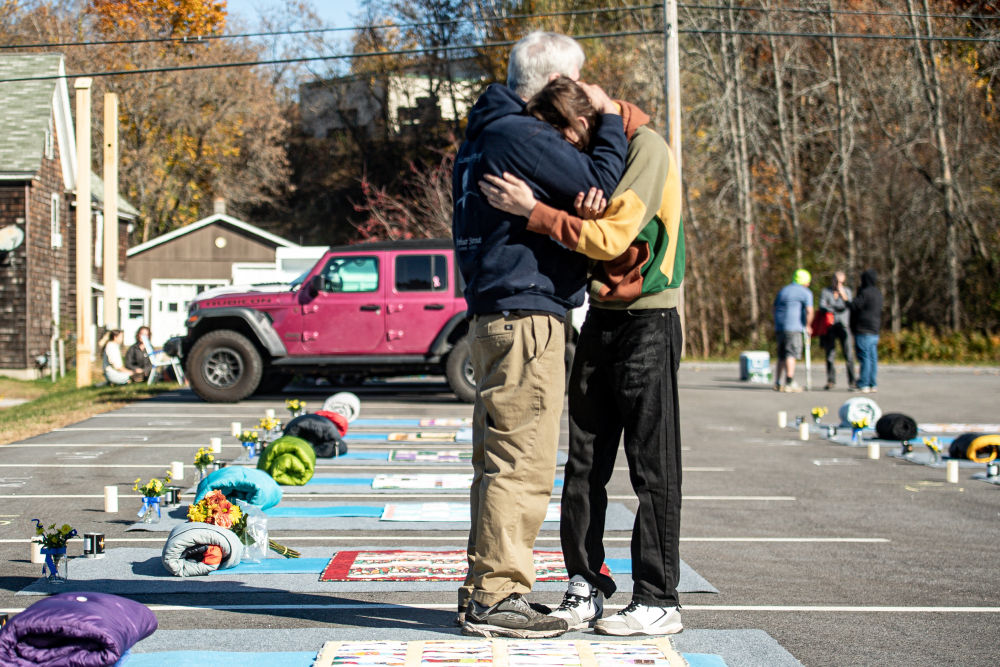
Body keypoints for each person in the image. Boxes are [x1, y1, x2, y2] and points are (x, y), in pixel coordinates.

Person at [479, 80, 685, 635]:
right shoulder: (601, 154)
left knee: (652, 466)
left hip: (651, 318)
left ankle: (658, 597)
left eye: (563, 136)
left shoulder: (649, 149)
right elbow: (593, 229)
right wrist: (579, 212)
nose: (560, 149)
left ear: (585, 120)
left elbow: (614, 235)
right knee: (585, 463)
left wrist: (536, 212)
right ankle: (586, 585)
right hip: (600, 317)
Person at [451, 31, 627, 639]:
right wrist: (606, 118)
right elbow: (598, 179)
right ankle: (499, 595)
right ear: (556, 82)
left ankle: (482, 588)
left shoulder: (482, 133)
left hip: (492, 311)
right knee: (521, 460)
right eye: (577, 82)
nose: (581, 94)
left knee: (496, 460)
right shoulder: (520, 135)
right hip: (527, 314)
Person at [773, 270, 814, 392]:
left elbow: (774, 308)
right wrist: (808, 325)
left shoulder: (784, 290)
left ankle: (778, 382)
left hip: (780, 327)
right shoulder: (805, 292)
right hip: (794, 327)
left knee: (781, 355)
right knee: (790, 353)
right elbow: (809, 311)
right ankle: (789, 381)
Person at [818, 271, 856, 390]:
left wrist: (842, 295)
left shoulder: (847, 292)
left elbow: (848, 305)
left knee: (848, 354)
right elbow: (822, 306)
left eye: (840, 282)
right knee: (830, 355)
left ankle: (852, 381)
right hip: (830, 326)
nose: (837, 284)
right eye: (836, 281)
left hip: (844, 326)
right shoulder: (826, 292)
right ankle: (831, 380)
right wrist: (834, 308)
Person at [851, 269, 883, 393]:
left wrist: (846, 299)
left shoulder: (865, 292)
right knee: (872, 357)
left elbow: (855, 306)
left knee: (864, 357)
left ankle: (864, 383)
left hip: (863, 328)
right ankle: (872, 383)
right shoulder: (877, 293)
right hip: (875, 328)